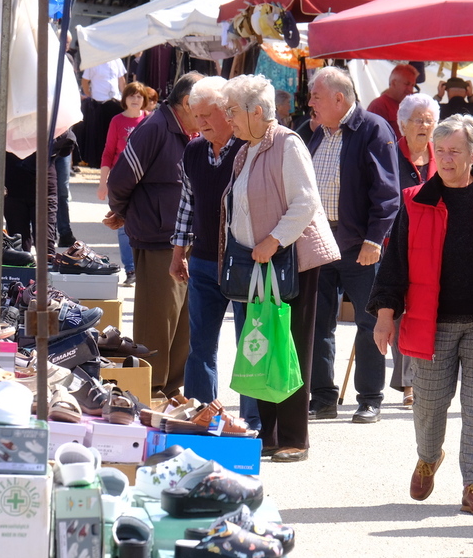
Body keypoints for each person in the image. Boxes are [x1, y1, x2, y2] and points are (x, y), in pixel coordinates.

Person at [369, 114, 473, 515]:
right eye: (440, 151)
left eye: (455, 151)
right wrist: (384, 314)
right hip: (431, 325)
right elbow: (394, 263)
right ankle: (429, 457)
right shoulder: (416, 200)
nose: (445, 159)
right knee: (429, 405)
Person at [221, 74, 339, 462]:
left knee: (291, 346)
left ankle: (294, 438)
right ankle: (270, 434)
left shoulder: (288, 143)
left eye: (233, 111)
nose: (229, 119)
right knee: (265, 343)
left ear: (257, 111)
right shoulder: (247, 148)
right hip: (263, 262)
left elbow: (305, 203)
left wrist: (271, 241)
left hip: (291, 260)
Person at [306, 66, 399, 424]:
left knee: (370, 321)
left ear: (338, 98)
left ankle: (370, 398)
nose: (310, 101)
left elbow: (387, 194)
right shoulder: (317, 132)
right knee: (317, 322)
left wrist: (375, 240)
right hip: (319, 242)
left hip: (360, 246)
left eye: (316, 95)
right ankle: (323, 398)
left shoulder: (373, 129)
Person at [105, 72, 203, 399]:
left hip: (181, 238)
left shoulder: (181, 130)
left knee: (181, 323)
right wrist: (123, 211)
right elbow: (120, 181)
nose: (205, 117)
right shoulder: (155, 128)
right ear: (187, 103)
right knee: (158, 323)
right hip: (159, 238)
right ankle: (151, 390)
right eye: (201, 108)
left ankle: (170, 388)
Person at [169, 76, 254, 423]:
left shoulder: (248, 148)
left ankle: (252, 419)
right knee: (200, 346)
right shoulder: (193, 150)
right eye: (195, 115)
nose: (199, 122)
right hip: (203, 260)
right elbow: (187, 204)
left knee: (251, 345)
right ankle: (202, 413)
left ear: (227, 112)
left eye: (207, 115)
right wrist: (178, 252)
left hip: (244, 260)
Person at [390, 92, 438, 408]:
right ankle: (408, 381)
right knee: (400, 312)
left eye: (428, 120)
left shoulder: (445, 155)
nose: (423, 125)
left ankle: (428, 377)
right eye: (417, 120)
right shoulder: (388, 155)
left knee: (429, 311)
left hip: (435, 245)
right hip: (395, 244)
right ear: (403, 124)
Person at [98, 81, 151, 287]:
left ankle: (143, 268)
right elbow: (108, 153)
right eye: (131, 95)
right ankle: (130, 270)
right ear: (125, 99)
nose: (135, 99)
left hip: (145, 182)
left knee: (146, 224)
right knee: (122, 224)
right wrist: (103, 183)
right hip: (121, 180)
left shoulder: (150, 120)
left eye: (139, 96)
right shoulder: (117, 121)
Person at [81, 58, 127, 168]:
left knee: (114, 133)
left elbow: (121, 79)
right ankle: (98, 161)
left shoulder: (117, 59)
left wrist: (124, 96)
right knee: (99, 133)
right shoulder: (93, 60)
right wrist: (89, 94)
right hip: (99, 101)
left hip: (115, 100)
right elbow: (85, 80)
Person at [367, 64, 418, 140]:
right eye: (407, 84)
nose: (410, 89)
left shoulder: (409, 106)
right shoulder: (378, 106)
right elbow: (373, 140)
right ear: (394, 83)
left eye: (412, 85)